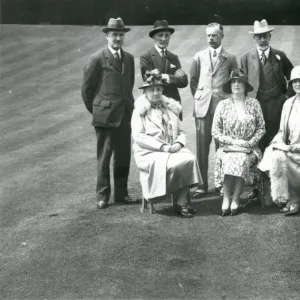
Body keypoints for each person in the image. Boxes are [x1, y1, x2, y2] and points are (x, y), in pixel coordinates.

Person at [81, 17, 136, 209]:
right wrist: (98, 110)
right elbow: (87, 92)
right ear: (107, 35)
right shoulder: (96, 59)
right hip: (105, 117)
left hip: (125, 115)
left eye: (121, 35)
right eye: (114, 35)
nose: (118, 38)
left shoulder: (128, 58)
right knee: (104, 157)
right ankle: (102, 196)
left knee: (123, 157)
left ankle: (122, 194)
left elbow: (129, 85)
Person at [131, 71, 202, 218]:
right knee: (175, 164)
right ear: (145, 92)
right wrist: (162, 147)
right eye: (151, 90)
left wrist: (178, 143)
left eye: (158, 89)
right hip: (149, 152)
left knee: (190, 159)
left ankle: (180, 201)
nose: (155, 93)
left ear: (162, 90)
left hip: (171, 149)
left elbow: (182, 131)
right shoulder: (139, 111)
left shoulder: (170, 107)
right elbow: (139, 137)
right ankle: (180, 203)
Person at [190, 23, 238, 197]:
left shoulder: (230, 57)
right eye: (208, 35)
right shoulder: (199, 56)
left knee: (222, 149)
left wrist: (227, 104)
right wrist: (201, 98)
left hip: (223, 110)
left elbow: (235, 83)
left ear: (222, 36)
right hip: (202, 109)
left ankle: (220, 184)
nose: (211, 38)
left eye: (214, 35)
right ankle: (202, 185)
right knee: (202, 149)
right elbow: (193, 82)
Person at [212, 69, 266, 216]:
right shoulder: (222, 105)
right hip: (228, 147)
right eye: (233, 82)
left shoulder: (254, 104)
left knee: (241, 159)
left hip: (249, 148)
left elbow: (261, 128)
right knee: (229, 158)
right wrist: (233, 141)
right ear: (230, 85)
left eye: (240, 82)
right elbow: (215, 131)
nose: (236, 84)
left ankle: (235, 198)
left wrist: (249, 143)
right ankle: (226, 199)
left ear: (245, 86)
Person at [240, 19, 294, 152]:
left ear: (270, 36)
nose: (262, 40)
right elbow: (240, 83)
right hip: (255, 104)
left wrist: (286, 96)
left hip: (276, 105)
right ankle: (258, 171)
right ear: (254, 38)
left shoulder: (279, 56)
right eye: (259, 37)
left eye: (265, 36)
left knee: (274, 137)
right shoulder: (246, 58)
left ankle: (273, 171)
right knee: (257, 138)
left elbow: (293, 76)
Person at [258, 66, 300, 216]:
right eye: (294, 81)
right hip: (291, 151)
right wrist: (277, 142)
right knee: (274, 154)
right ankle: (286, 198)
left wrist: (296, 147)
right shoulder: (288, 103)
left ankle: (295, 200)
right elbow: (281, 131)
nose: (297, 84)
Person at [140, 20, 188, 120]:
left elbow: (183, 81)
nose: (164, 38)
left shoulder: (173, 57)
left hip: (173, 104)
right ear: (154, 37)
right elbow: (149, 80)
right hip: (155, 103)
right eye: (160, 35)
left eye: (167, 35)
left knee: (175, 133)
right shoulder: (146, 57)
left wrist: (161, 76)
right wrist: (172, 77)